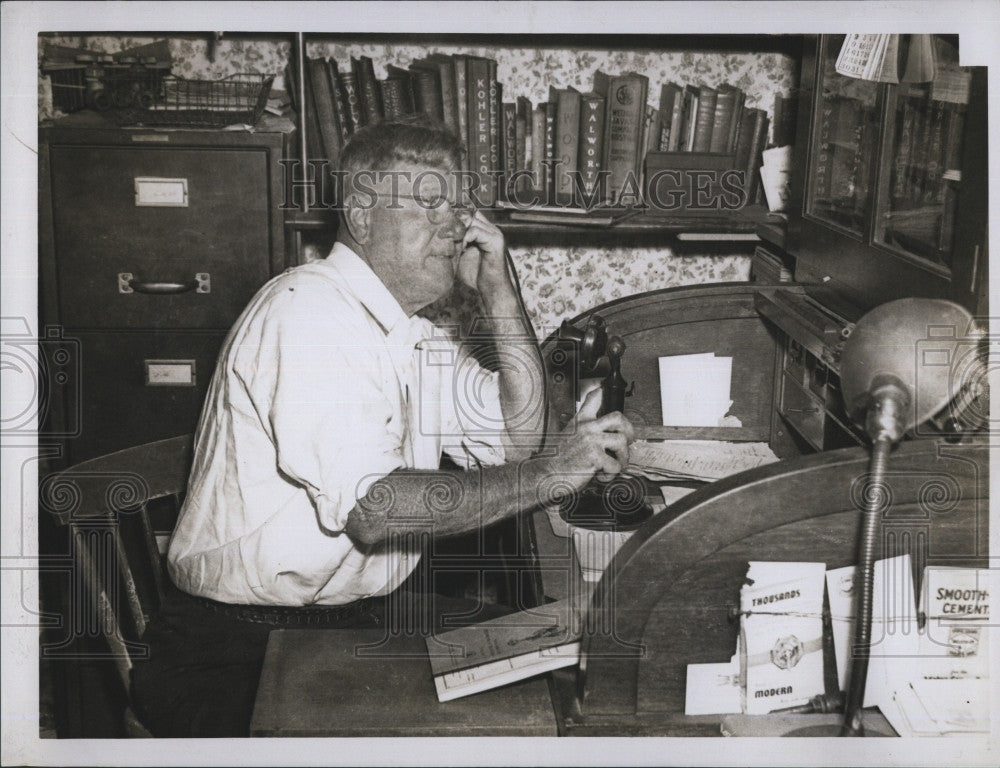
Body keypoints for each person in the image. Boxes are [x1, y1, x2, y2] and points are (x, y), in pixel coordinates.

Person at [131, 119, 634, 737]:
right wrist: (553, 474)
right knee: (526, 720)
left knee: (558, 661)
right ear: (361, 215)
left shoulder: (409, 332)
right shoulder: (309, 312)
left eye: (458, 207)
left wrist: (500, 293)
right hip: (236, 653)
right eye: (428, 204)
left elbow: (517, 437)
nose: (453, 226)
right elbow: (376, 508)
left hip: (350, 620)